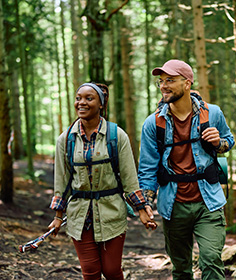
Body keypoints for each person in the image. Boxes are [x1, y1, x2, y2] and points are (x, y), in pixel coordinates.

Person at [48, 82, 156, 280]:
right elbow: (61, 182)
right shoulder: (65, 140)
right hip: (79, 216)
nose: (82, 102)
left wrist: (142, 210)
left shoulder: (117, 136)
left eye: (89, 98)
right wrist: (57, 217)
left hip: (111, 213)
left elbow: (129, 178)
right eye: (78, 98)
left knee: (112, 270)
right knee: (89, 271)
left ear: (101, 104)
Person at [138, 59, 235, 280]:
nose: (163, 86)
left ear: (187, 83)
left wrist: (218, 142)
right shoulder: (153, 124)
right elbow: (147, 169)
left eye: (170, 80)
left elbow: (229, 141)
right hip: (174, 206)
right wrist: (144, 204)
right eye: (161, 81)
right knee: (181, 269)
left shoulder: (213, 113)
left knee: (211, 260)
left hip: (208, 203)